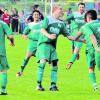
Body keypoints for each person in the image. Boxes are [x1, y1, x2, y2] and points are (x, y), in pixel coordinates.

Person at [35, 4, 77, 91]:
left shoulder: (61, 23)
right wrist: (49, 36)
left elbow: (70, 37)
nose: (62, 11)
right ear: (54, 10)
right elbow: (42, 29)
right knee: (43, 62)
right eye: (60, 9)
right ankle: (38, 85)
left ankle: (53, 86)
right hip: (44, 44)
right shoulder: (48, 19)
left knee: (54, 64)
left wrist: (83, 40)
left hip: (52, 46)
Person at [66, 10, 100, 91]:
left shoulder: (85, 27)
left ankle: (95, 86)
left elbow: (77, 38)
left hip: (93, 50)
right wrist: (83, 41)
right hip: (94, 49)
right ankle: (95, 87)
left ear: (88, 18)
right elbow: (84, 39)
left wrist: (66, 35)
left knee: (91, 68)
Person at [16, 10, 42, 76]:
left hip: (41, 44)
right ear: (33, 16)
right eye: (34, 14)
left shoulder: (43, 24)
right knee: (27, 57)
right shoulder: (30, 25)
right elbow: (24, 34)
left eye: (37, 14)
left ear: (39, 16)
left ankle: (41, 74)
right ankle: (21, 71)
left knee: (42, 59)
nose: (36, 16)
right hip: (32, 44)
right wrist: (25, 36)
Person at [0, 18, 14, 95]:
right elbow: (11, 36)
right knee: (3, 71)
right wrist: (12, 42)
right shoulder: (3, 24)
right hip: (1, 52)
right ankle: (3, 90)